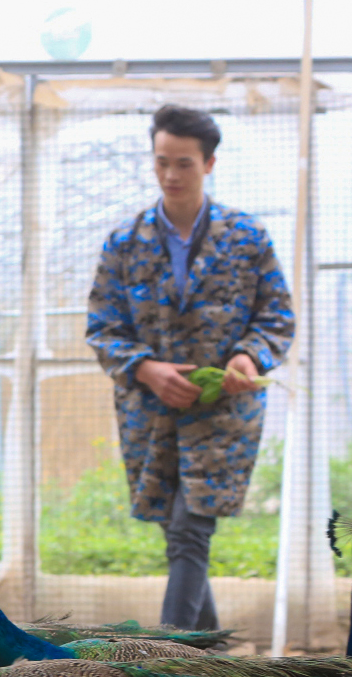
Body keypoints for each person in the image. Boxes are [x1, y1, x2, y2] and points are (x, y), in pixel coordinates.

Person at [85, 104, 294, 631]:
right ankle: (211, 655)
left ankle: (169, 660)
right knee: (178, 532)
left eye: (184, 164)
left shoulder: (247, 237)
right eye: (162, 163)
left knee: (190, 530)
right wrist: (147, 369)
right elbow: (103, 327)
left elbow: (277, 315)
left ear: (210, 164)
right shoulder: (124, 242)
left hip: (224, 410)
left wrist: (249, 355)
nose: (171, 175)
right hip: (150, 413)